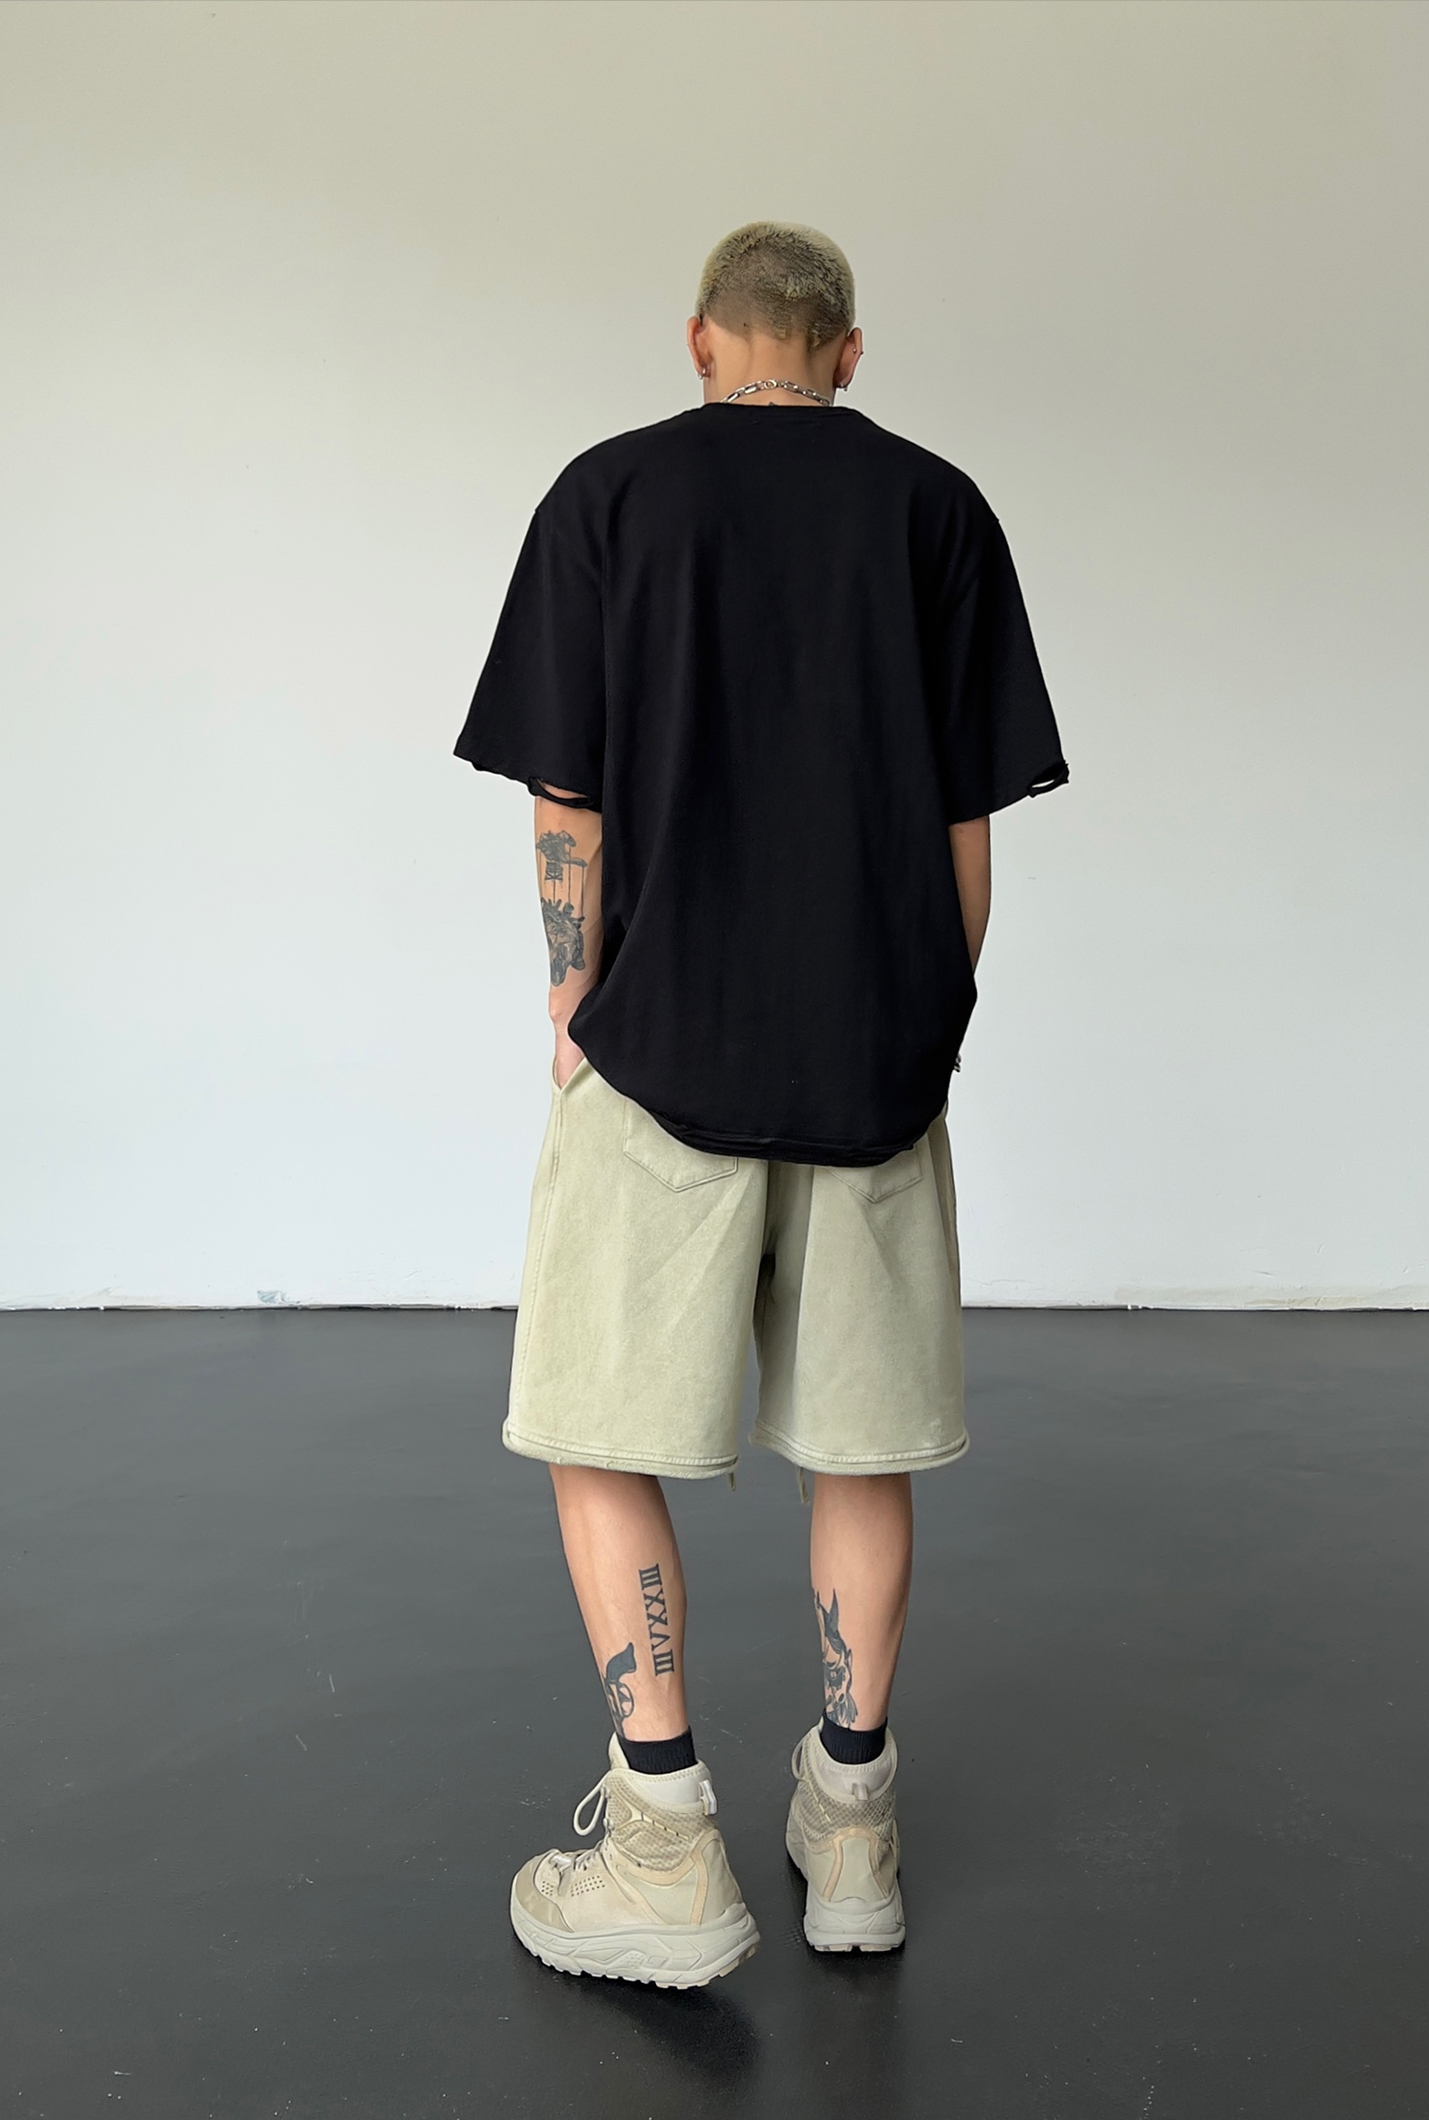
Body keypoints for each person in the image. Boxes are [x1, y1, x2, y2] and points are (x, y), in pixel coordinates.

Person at [454, 221, 1067, 1987]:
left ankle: (664, 1842)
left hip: (663, 1049)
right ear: (849, 353)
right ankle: (852, 1824)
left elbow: (565, 798)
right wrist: (927, 1025)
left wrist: (571, 993)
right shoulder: (939, 511)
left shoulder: (610, 497)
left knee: (597, 1430)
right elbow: (965, 832)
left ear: (702, 340)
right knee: (859, 1450)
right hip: (872, 1060)